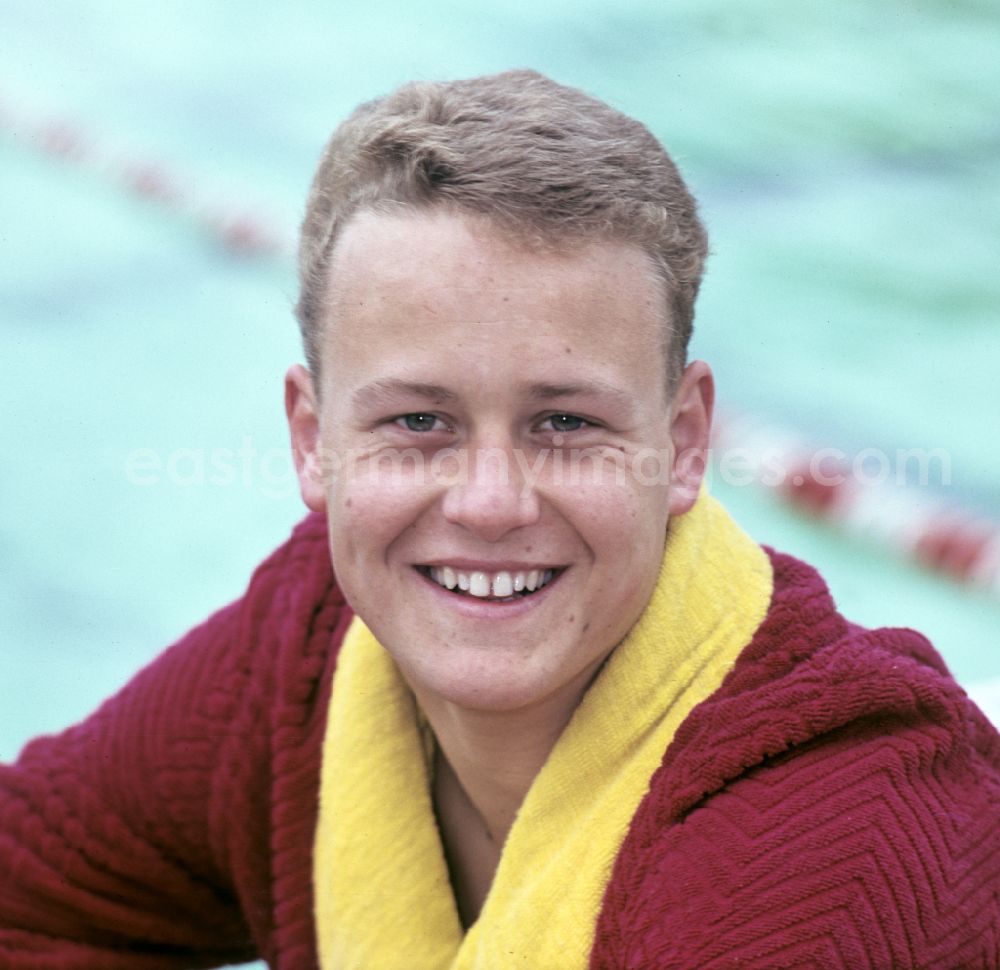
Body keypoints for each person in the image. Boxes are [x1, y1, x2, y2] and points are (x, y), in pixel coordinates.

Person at [1, 69, 997, 970]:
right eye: (417, 422)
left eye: (564, 423)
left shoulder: (831, 853)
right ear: (313, 441)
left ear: (685, 443)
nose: (488, 502)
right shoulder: (312, 648)